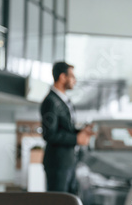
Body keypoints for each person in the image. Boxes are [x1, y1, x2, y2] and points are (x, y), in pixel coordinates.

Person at [40, 61, 93, 193]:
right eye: (72, 76)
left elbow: (65, 128)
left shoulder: (64, 101)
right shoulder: (51, 101)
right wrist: (76, 139)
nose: (74, 80)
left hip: (68, 161)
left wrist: (81, 132)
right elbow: (49, 134)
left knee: (68, 204)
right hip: (58, 163)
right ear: (63, 77)